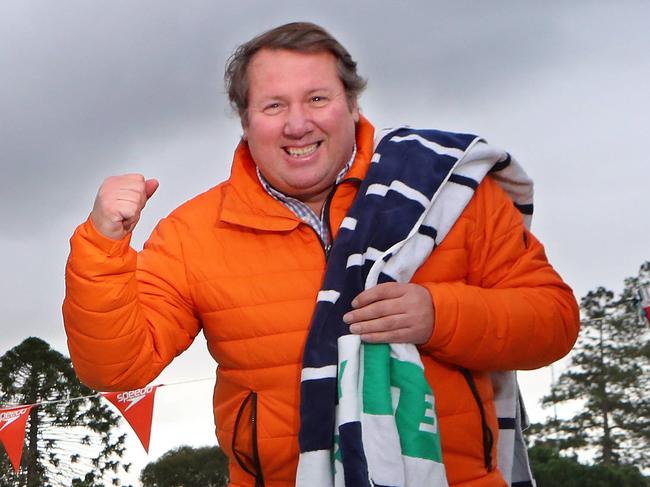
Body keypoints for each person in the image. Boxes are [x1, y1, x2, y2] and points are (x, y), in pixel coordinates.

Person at [63, 22, 580, 487]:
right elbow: (116, 369)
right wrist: (102, 244)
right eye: (273, 106)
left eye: (316, 99)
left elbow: (554, 323)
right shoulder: (190, 234)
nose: (297, 125)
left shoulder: (447, 191)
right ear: (245, 122)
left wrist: (438, 314)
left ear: (352, 105)